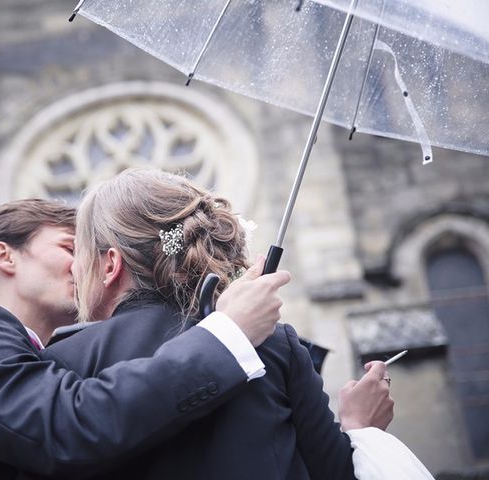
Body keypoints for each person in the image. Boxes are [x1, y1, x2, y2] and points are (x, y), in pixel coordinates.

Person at [41, 168, 394, 479]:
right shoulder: (273, 343)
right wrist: (360, 428)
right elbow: (333, 473)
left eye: (78, 255)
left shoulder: (65, 363)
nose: (71, 270)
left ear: (109, 266)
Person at [0, 198, 291, 479]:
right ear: (5, 256)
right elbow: (68, 427)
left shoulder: (66, 353)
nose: (82, 265)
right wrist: (226, 336)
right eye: (69, 247)